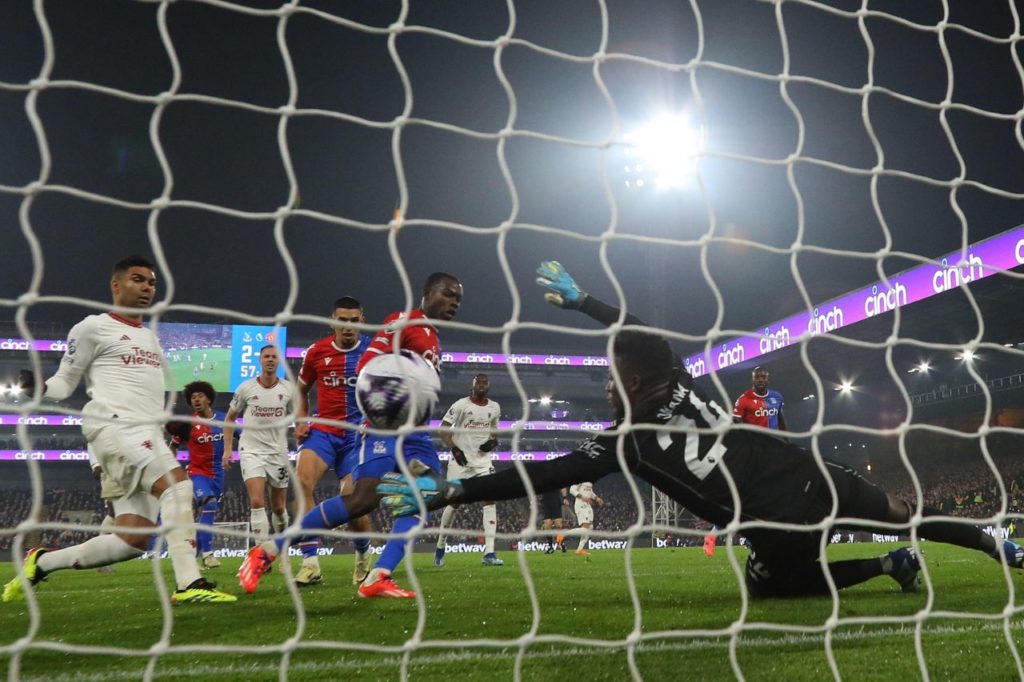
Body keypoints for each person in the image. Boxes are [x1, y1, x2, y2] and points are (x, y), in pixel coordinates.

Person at [376, 260, 1024, 599]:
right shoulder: (677, 380)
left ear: (629, 387)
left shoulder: (621, 442)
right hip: (807, 474)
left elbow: (541, 474)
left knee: (770, 584)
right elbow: (640, 333)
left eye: (611, 379)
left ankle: (888, 564)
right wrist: (585, 303)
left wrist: (451, 494)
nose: (609, 383)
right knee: (899, 509)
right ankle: (998, 546)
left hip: (771, 516)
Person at [2, 256, 234, 604]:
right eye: (138, 280)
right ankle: (190, 583)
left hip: (144, 433)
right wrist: (41, 387)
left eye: (151, 283)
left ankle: (41, 562)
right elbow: (65, 382)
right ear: (116, 285)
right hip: (113, 426)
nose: (146, 288)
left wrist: (166, 421)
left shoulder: (151, 339)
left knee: (132, 541)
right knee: (177, 486)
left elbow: (145, 392)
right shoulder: (91, 327)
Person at [238, 272, 463, 599]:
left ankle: (379, 574)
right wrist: (394, 394)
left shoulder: (430, 334)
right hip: (383, 428)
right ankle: (269, 550)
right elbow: (368, 367)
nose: (454, 302)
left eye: (458, 298)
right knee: (361, 500)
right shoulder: (404, 322)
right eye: (448, 294)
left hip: (413, 433)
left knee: (422, 493)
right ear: (428, 292)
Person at [293, 297, 373, 587]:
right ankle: (310, 563)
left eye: (354, 321)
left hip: (358, 435)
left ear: (362, 321)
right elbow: (300, 390)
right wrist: (301, 419)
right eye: (342, 320)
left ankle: (363, 555)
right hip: (325, 430)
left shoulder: (374, 352)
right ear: (332, 321)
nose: (348, 326)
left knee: (354, 500)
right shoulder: (316, 352)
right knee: (302, 481)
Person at [704, 366, 788, 557]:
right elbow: (735, 424)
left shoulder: (777, 397)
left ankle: (753, 539)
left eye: (763, 377)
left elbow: (780, 418)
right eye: (757, 377)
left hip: (772, 454)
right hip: (752, 456)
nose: (760, 379)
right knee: (744, 497)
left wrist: (787, 442)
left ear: (767, 378)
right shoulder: (744, 400)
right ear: (753, 379)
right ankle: (715, 534)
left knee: (765, 498)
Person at [222, 345, 295, 544]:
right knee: (256, 501)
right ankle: (260, 553)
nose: (270, 360)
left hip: (278, 453)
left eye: (274, 357)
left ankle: (281, 547)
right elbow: (229, 419)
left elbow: (301, 416)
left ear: (279, 361)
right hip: (251, 451)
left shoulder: (288, 389)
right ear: (260, 360)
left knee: (279, 506)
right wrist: (228, 449)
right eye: (266, 356)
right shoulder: (246, 388)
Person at [434, 373, 502, 567]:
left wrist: (493, 443)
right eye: (478, 383)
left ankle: (489, 553)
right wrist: (454, 449)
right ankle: (441, 545)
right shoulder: (460, 405)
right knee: (454, 503)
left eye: (484, 383)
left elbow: (495, 432)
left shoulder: (494, 407)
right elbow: (443, 429)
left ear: (488, 386)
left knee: (489, 501)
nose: (481, 385)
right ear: (472, 386)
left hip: (482, 462)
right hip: (461, 462)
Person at [169, 381, 226, 570]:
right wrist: (172, 467)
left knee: (209, 511)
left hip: (218, 475)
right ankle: (208, 555)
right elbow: (174, 445)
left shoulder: (223, 419)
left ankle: (193, 556)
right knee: (209, 504)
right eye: (193, 397)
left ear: (208, 398)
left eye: (200, 395)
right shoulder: (187, 424)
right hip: (196, 473)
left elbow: (243, 436)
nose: (196, 399)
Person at [565, 482, 604, 556]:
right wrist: (582, 497)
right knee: (586, 528)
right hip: (581, 505)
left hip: (587, 505)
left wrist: (596, 498)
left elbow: (590, 492)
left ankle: (579, 550)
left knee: (590, 528)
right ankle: (564, 534)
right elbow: (572, 490)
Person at [539, 487, 569, 553]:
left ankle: (561, 543)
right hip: (546, 502)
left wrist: (565, 498)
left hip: (556, 501)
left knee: (559, 525)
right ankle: (550, 547)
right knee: (547, 525)